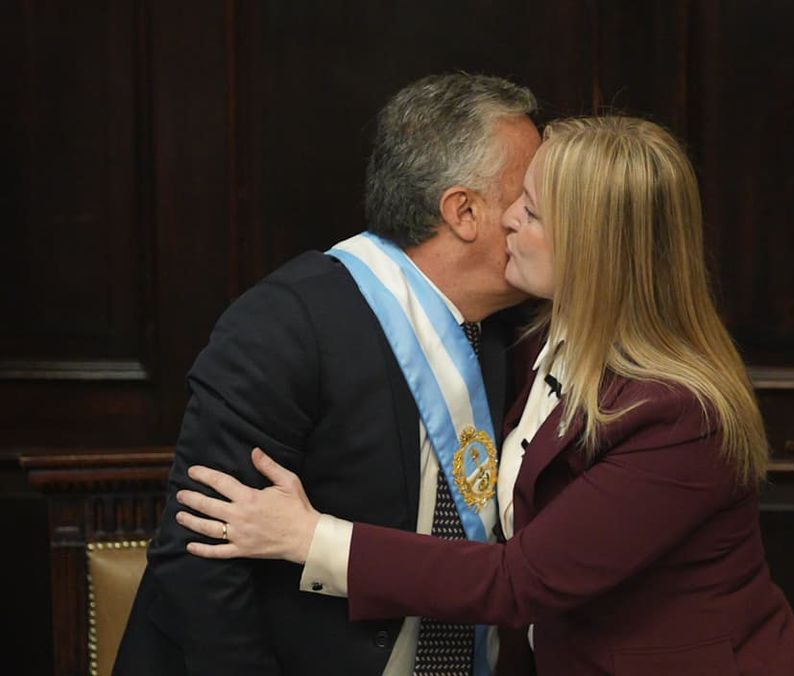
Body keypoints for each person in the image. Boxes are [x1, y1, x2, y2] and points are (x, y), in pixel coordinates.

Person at [173, 117, 794, 675]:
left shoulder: (678, 413)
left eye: (532, 211)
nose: (508, 215)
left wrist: (310, 537)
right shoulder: (534, 338)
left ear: (594, 251)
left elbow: (520, 580)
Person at [114, 73, 541, 676]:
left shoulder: (515, 329)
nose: (541, 216)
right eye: (526, 198)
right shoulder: (287, 323)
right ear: (464, 211)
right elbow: (200, 556)